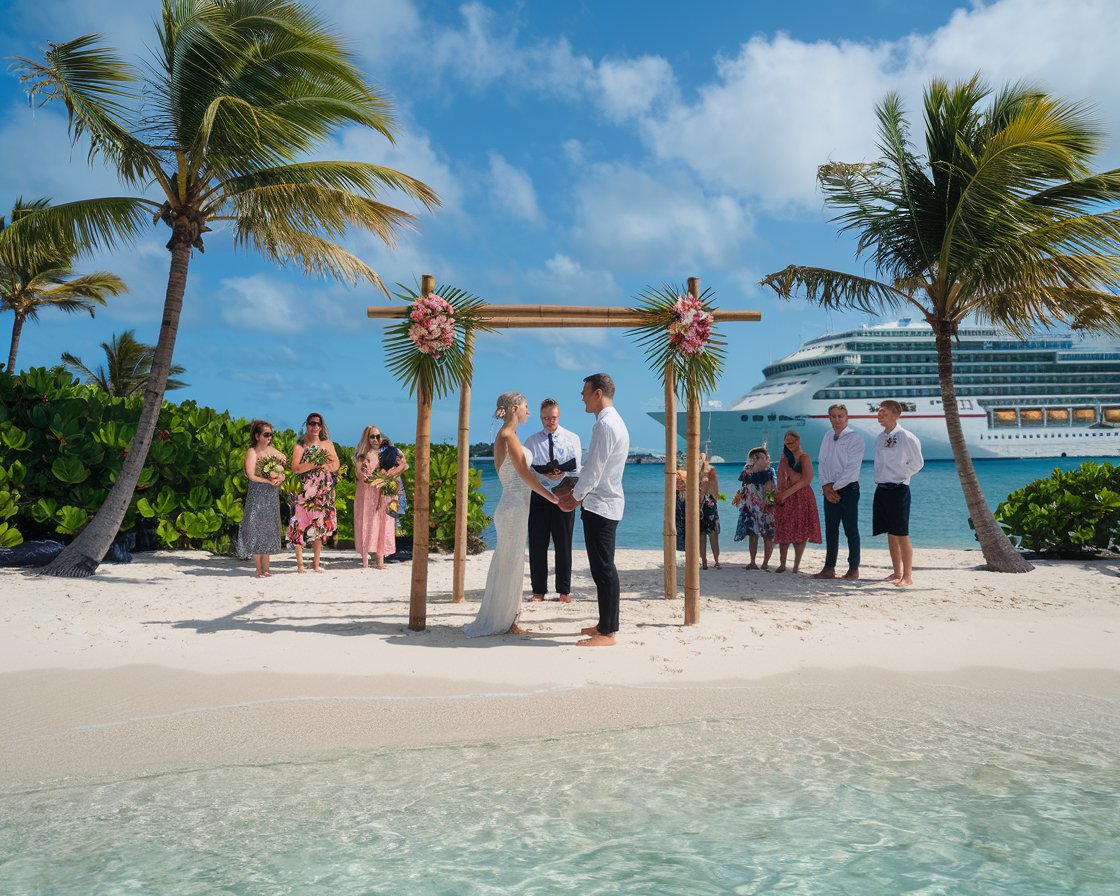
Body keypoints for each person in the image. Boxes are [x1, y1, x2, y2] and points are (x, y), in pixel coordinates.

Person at [463, 392, 560, 637]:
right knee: (511, 563)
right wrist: (551, 497)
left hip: (513, 504)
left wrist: (548, 482)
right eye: (526, 407)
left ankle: (507, 618)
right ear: (515, 408)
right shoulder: (508, 436)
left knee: (510, 562)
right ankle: (505, 621)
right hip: (514, 507)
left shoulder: (506, 436)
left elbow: (519, 474)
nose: (529, 412)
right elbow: (524, 475)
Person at [557, 373, 629, 647]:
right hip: (603, 502)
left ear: (598, 393)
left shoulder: (605, 425)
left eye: (585, 391)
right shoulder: (611, 422)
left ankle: (608, 632)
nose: (582, 397)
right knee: (602, 568)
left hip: (601, 504)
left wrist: (574, 497)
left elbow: (595, 470)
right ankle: (604, 623)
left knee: (603, 569)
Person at [523, 398, 581, 602]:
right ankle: (538, 591)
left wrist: (562, 477)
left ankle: (564, 591)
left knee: (563, 544)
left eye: (553, 418)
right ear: (540, 418)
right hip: (539, 495)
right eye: (546, 418)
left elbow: (578, 469)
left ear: (559, 416)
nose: (549, 422)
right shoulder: (531, 441)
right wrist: (545, 475)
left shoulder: (572, 438)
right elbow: (527, 471)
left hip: (564, 494)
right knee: (538, 544)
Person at [873, 399, 925, 587]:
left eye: (884, 412)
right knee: (890, 533)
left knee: (902, 533)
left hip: (899, 489)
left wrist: (901, 475)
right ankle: (897, 572)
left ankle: (908, 576)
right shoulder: (880, 438)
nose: (880, 415)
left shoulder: (906, 436)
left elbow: (918, 463)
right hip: (882, 489)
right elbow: (879, 463)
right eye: (879, 412)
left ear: (896, 414)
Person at [813, 404, 865, 580]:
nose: (837, 420)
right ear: (829, 418)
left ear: (846, 417)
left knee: (851, 529)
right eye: (833, 416)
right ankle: (829, 568)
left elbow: (852, 468)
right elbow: (822, 462)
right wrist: (825, 486)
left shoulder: (855, 438)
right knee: (831, 529)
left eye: (840, 416)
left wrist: (833, 488)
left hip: (849, 489)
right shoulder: (827, 436)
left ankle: (853, 569)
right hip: (829, 488)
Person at [288, 412, 340, 573]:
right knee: (300, 523)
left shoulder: (328, 444)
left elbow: (336, 464)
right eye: (312, 423)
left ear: (322, 426)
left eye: (318, 424)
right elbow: (295, 468)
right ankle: (300, 565)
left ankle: (316, 564)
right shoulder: (300, 444)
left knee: (320, 524)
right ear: (307, 424)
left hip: (323, 489)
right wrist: (314, 463)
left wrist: (326, 466)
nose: (315, 427)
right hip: (305, 489)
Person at [353, 425, 408, 570]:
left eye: (378, 436)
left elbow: (404, 464)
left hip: (383, 493)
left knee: (384, 524)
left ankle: (380, 561)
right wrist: (368, 476)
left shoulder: (388, 451)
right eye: (372, 436)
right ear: (367, 438)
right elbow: (359, 474)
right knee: (366, 523)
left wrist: (388, 476)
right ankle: (365, 560)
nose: (376, 439)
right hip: (366, 493)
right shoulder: (362, 455)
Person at [236, 419, 285, 577]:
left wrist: (280, 478)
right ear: (257, 436)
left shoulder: (272, 451)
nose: (269, 437)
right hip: (257, 495)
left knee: (268, 530)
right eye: (266, 434)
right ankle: (258, 570)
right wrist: (268, 481)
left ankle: (266, 569)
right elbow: (250, 475)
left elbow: (283, 466)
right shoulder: (252, 452)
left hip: (271, 496)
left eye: (271, 434)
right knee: (256, 529)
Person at [773, 429, 821, 573]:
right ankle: (782, 563)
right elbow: (780, 478)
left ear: (798, 441)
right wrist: (778, 493)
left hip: (801, 497)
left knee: (800, 531)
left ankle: (796, 565)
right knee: (784, 529)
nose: (789, 445)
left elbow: (807, 479)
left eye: (792, 442)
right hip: (786, 496)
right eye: (787, 443)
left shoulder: (804, 457)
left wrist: (786, 493)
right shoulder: (784, 458)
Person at [733, 446, 776, 570]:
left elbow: (771, 489)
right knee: (753, 535)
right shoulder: (747, 470)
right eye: (759, 457)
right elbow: (745, 481)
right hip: (751, 509)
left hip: (766, 509)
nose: (764, 459)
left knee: (768, 536)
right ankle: (752, 561)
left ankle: (765, 562)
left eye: (764, 457)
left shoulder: (770, 472)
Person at [699, 453, 721, 569]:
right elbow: (716, 489)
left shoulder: (709, 469)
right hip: (706, 503)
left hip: (706, 503)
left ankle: (713, 560)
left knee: (710, 534)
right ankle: (706, 561)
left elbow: (714, 487)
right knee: (703, 534)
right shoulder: (708, 469)